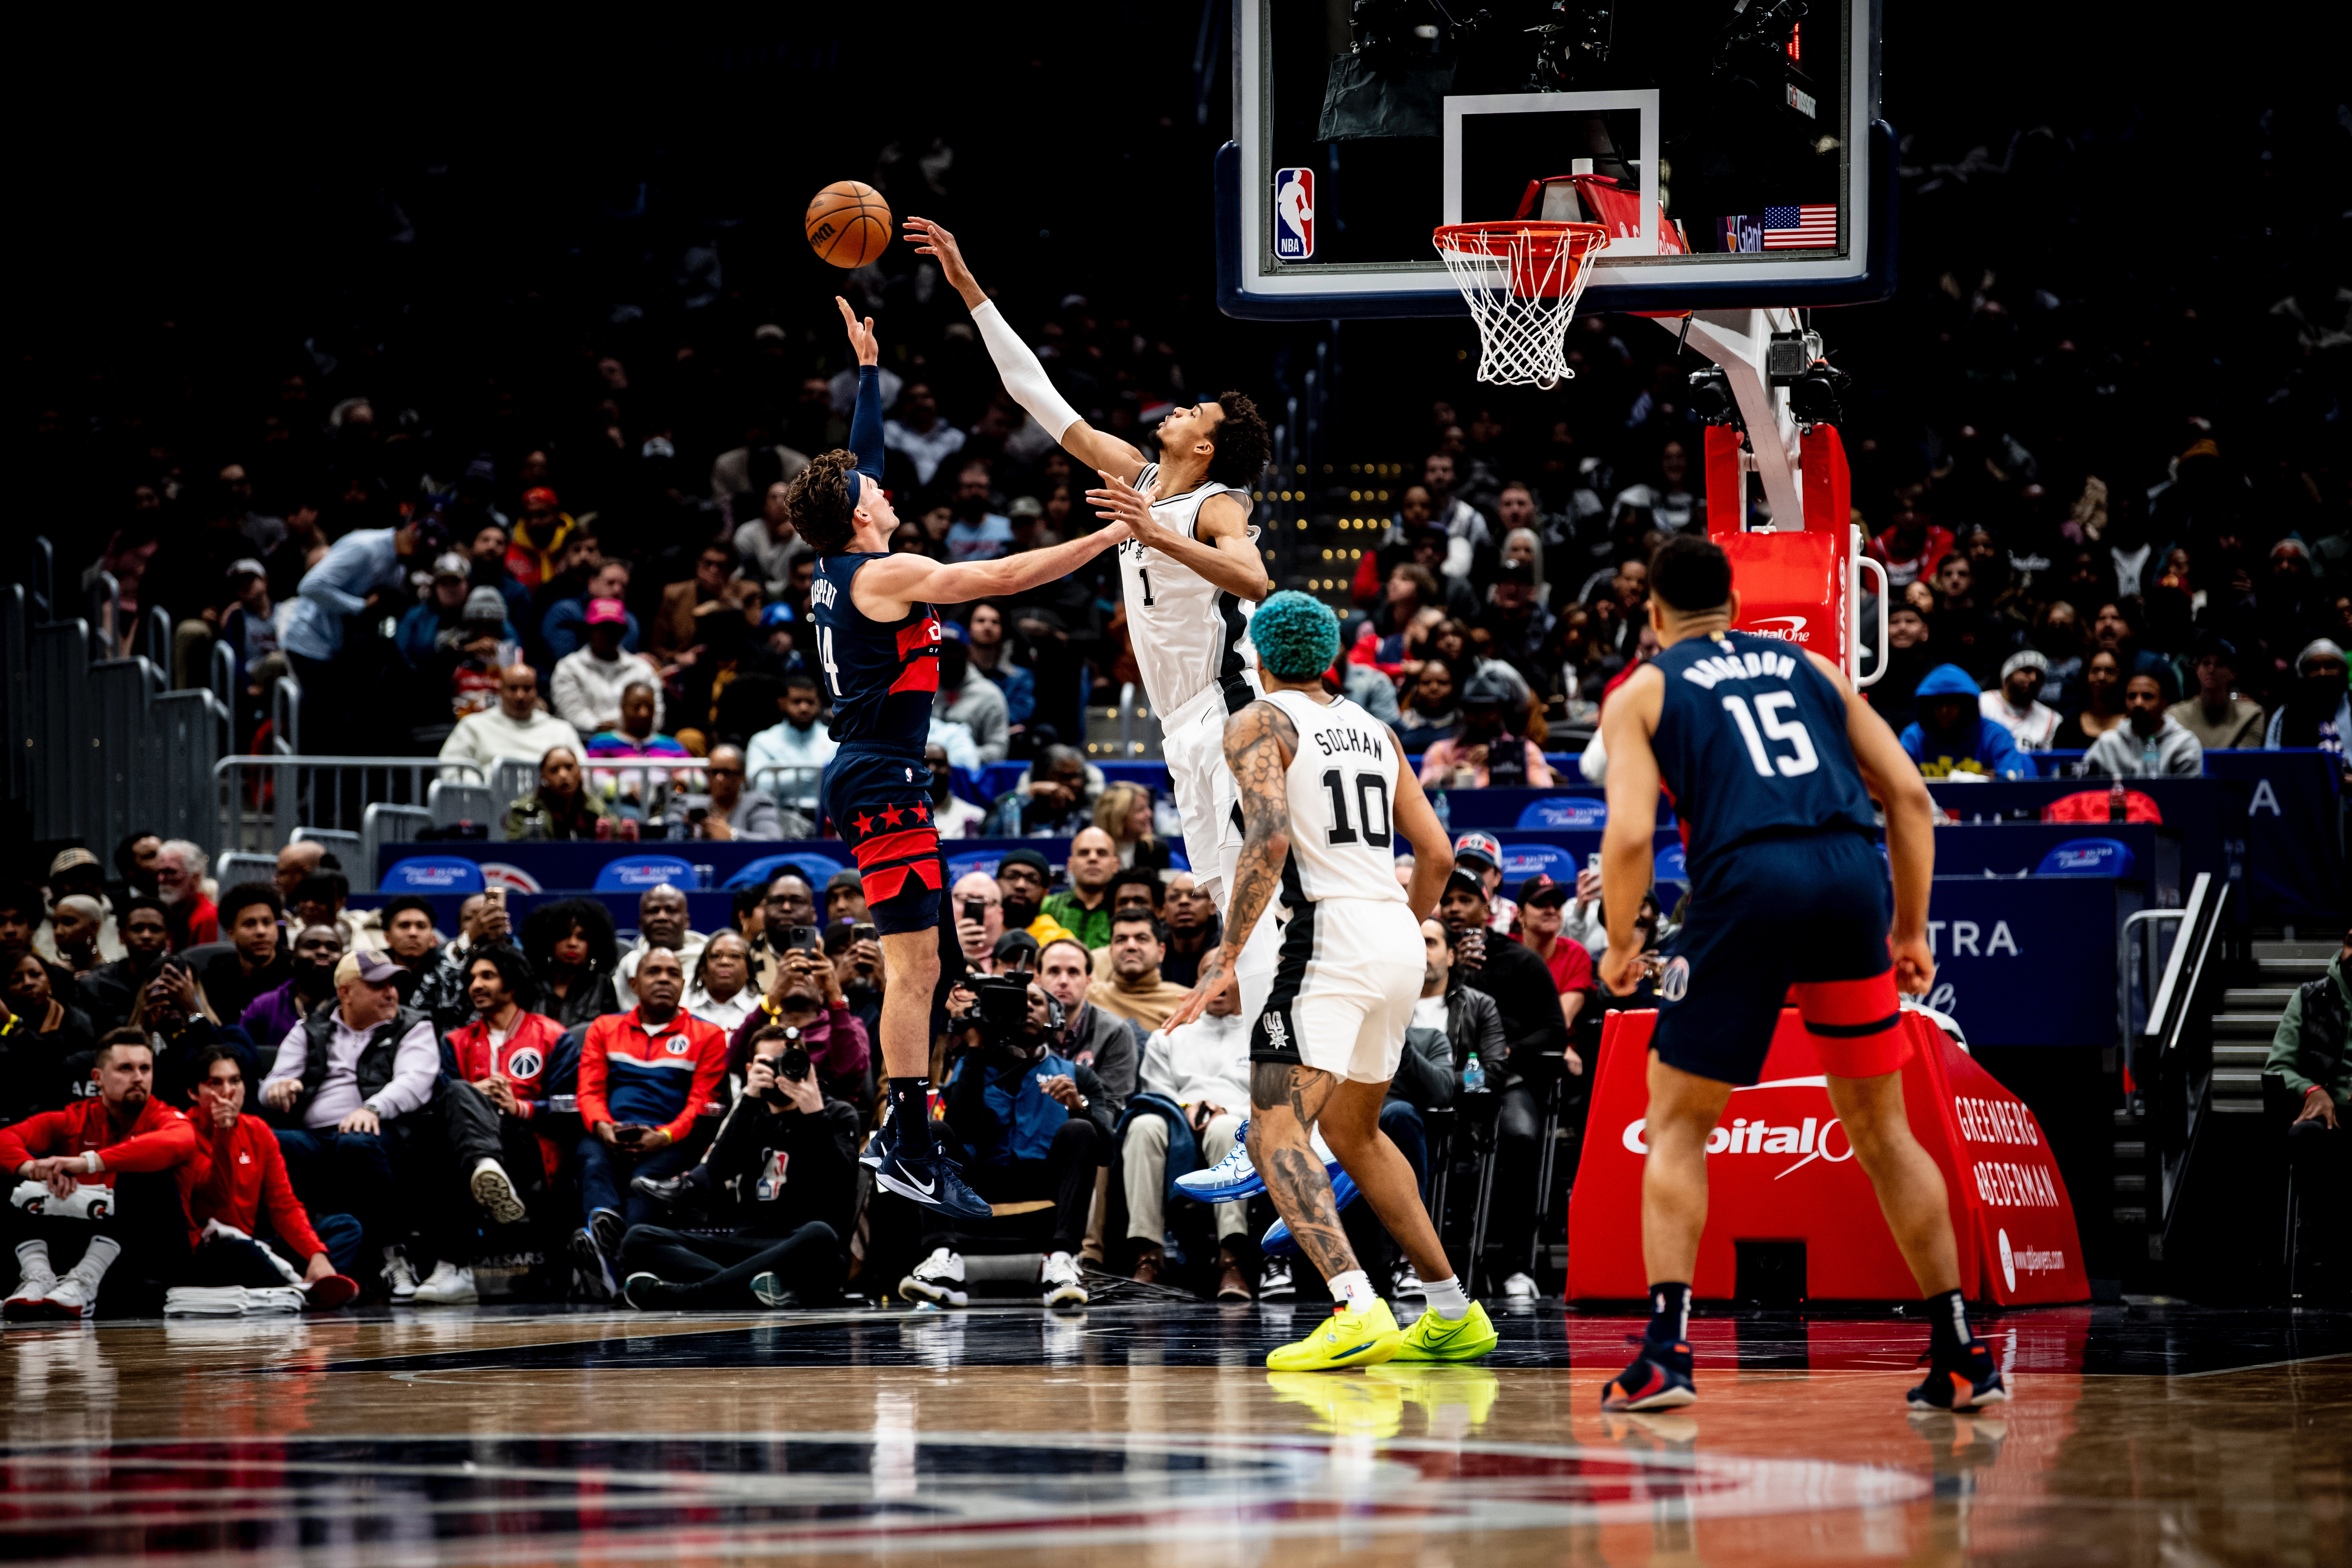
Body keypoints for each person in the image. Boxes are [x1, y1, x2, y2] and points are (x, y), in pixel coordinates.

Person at [1594, 533, 1999, 1413]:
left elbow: (1628, 837)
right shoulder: (1811, 664)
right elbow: (1913, 796)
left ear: (1654, 616)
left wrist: (1622, 940)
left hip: (1746, 879)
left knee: (1677, 1120)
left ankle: (1666, 1351)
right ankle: (1963, 1350)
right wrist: (1911, 928)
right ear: (1735, 605)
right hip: (1851, 874)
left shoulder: (1645, 689)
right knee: (1884, 1130)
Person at [793, 296, 1134, 1222]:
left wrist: (867, 373)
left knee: (932, 965)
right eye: (875, 491)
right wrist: (1110, 536)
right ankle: (905, 1140)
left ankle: (911, 1129)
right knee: (912, 972)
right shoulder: (884, 573)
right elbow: (1003, 576)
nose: (887, 487)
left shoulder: (841, 562)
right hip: (881, 774)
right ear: (858, 516)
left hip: (873, 769)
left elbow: (856, 464)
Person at [915, 217, 1283, 1034]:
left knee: (1249, 901)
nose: (1182, 406)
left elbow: (1257, 577)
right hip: (1182, 722)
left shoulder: (1215, 501)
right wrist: (969, 286)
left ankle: (1276, 1095)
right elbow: (1037, 398)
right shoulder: (1142, 474)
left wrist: (1155, 533)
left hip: (1229, 712)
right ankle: (1267, 1095)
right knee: (1223, 892)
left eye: (1198, 409)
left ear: (1209, 446)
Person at [1159, 592, 1491, 1370]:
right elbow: (1438, 856)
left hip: (1322, 937)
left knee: (1273, 1126)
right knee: (1352, 1131)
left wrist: (1225, 952)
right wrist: (1397, 930)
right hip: (1391, 933)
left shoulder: (1258, 720)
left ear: (1258, 655)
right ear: (1331, 655)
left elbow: (1268, 838)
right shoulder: (1374, 729)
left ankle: (1355, 1305)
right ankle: (1450, 1310)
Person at [898, 970, 1116, 1309]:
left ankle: (1062, 1261)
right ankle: (944, 1259)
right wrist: (974, 1048)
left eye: (1036, 1001)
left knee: (1080, 1130)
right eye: (1019, 1001)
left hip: (1046, 1195)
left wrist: (1078, 1106)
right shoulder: (973, 1065)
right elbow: (959, 1128)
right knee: (934, 1130)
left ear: (1055, 1015)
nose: (1027, 1007)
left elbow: (1106, 1152)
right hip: (977, 1194)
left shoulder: (1078, 1076)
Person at [616, 1023, 862, 1309]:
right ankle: (756, 1290)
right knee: (638, 1238)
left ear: (806, 1066)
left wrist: (814, 1114)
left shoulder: (836, 1114)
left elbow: (843, 1187)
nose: (779, 1073)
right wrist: (748, 1098)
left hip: (801, 1246)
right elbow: (717, 1171)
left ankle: (690, 1294)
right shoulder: (750, 1113)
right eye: (770, 1065)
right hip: (745, 1243)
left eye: (787, 1063)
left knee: (820, 1236)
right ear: (751, 1070)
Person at [259, 949, 441, 1302]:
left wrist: (372, 1108)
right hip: (317, 1135)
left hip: (386, 1132)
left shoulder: (414, 1025)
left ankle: (393, 1252)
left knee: (356, 1142)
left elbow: (415, 1082)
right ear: (346, 992)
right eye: (378, 986)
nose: (391, 993)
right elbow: (271, 1082)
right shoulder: (309, 1029)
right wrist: (277, 1090)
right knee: (272, 1141)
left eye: (394, 985)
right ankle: (300, 1251)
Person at [2, 1031, 199, 1319]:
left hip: (151, 1248)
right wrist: (32, 1169)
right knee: (16, 1171)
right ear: (98, 1078)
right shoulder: (74, 1118)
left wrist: (88, 1163)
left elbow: (181, 1142)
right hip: (84, 1238)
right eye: (125, 1069)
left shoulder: (163, 1116)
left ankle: (86, 1279)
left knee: (143, 1171)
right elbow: (6, 1138)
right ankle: (38, 1276)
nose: (138, 1078)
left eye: (145, 1069)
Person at [570, 947, 730, 1296]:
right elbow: (590, 1091)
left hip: (670, 1139)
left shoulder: (708, 1035)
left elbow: (701, 1102)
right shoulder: (604, 1028)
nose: (663, 979)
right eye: (653, 972)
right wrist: (604, 1128)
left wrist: (665, 1136)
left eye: (672, 974)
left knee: (643, 1184)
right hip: (611, 1131)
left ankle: (612, 1263)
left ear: (684, 984)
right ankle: (604, 1239)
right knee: (591, 1158)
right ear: (634, 984)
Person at [413, 943, 564, 1306]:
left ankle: (454, 1267)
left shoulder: (553, 1035)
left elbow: (568, 1106)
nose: (475, 985)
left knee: (455, 1139)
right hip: (467, 1146)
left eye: (487, 977)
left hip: (527, 1144)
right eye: (472, 979)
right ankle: (484, 1166)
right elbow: (438, 1103)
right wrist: (476, 1095)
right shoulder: (456, 1041)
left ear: (512, 985)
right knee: (456, 1100)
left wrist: (521, 1107)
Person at [172, 1043, 360, 1311]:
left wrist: (316, 1253)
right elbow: (217, 1196)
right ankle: (301, 1293)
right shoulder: (183, 1133)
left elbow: (284, 1206)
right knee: (246, 1255)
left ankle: (305, 1285)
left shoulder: (258, 1131)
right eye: (215, 1083)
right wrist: (223, 1133)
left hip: (256, 1245)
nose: (228, 1092)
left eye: (235, 1081)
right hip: (215, 1250)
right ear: (193, 1092)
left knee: (346, 1227)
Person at [1121, 978, 1254, 1296]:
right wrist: (1185, 1109)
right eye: (1208, 973)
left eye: (1225, 972)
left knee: (1225, 1129)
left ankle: (1231, 1261)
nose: (1216, 980)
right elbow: (1155, 1091)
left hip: (1237, 1121)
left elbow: (1270, 1096)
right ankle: (1148, 1257)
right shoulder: (1170, 1035)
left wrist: (1226, 1110)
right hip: (1177, 1120)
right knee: (1143, 1126)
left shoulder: (1259, 1034)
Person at [2268, 927, 2350, 1297]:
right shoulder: (2310, 998)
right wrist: (2311, 1090)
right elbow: (2277, 1068)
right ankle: (2327, 1256)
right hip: (2329, 1120)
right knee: (2303, 1138)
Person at [439, 663, 584, 775]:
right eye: (513, 689)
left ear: (536, 692)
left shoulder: (561, 730)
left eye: (527, 689)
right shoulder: (472, 726)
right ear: (500, 691)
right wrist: (480, 790)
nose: (520, 696)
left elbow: (584, 771)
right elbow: (450, 768)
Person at [552, 599, 664, 735]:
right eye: (602, 628)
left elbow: (657, 716)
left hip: (636, 744)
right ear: (589, 630)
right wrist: (604, 728)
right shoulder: (569, 667)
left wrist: (620, 731)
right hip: (585, 742)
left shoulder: (642, 670)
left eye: (614, 628)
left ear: (623, 632)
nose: (608, 634)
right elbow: (572, 714)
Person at [1900, 664, 2032, 780]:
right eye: (1938, 705)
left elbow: (2009, 782)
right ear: (1927, 708)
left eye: (1952, 704)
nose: (1944, 711)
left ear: (1967, 706)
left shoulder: (1995, 736)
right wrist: (1983, 777)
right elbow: (1895, 783)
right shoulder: (1914, 737)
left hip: (1984, 807)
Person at [519, 897, 621, 1029]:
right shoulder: (531, 984)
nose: (572, 943)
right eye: (564, 936)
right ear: (548, 942)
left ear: (594, 945)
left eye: (582, 937)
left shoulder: (602, 985)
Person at [197, 883, 291, 1026]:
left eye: (267, 923)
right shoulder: (214, 979)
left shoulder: (296, 974)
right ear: (231, 934)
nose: (261, 931)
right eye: (249, 924)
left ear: (277, 929)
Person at [745, 673, 838, 816]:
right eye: (797, 702)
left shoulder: (835, 739)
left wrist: (781, 775)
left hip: (828, 818)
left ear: (818, 703)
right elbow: (761, 785)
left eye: (810, 702)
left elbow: (840, 782)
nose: (804, 708)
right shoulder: (762, 742)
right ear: (782, 703)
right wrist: (820, 772)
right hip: (778, 817)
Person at [238, 923, 344, 1047]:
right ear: (293, 958)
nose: (322, 952)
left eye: (333, 948)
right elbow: (241, 1054)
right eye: (311, 946)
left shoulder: (353, 1007)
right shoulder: (263, 1006)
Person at [77, 896, 172, 1032]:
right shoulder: (95, 985)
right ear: (121, 936)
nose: (146, 936)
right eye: (137, 929)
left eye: (155, 929)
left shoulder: (179, 982)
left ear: (168, 937)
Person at [1088, 910, 1192, 1032]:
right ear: (1111, 952)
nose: (1131, 946)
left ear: (1161, 952)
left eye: (1142, 939)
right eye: (1121, 940)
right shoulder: (1088, 998)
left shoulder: (1187, 1002)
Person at [664, 744, 792, 841]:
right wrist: (684, 831)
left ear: (742, 777)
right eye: (714, 772)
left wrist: (732, 836)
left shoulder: (758, 805)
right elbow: (666, 840)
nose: (719, 778)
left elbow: (773, 840)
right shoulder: (688, 805)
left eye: (727, 773)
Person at [2087, 674, 2205, 777]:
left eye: (2147, 696)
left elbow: (2190, 798)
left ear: (2164, 703)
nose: (2138, 703)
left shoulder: (2184, 745)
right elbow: (2082, 791)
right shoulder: (2108, 743)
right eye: (2132, 696)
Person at [2167, 634, 2266, 751]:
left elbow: (2243, 763)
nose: (2212, 669)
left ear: (2233, 673)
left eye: (2220, 664)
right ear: (2197, 670)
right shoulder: (2176, 716)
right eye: (2206, 663)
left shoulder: (2251, 715)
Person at [504, 746, 623, 842]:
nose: (563, 775)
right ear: (544, 776)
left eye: (569, 767)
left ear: (579, 771)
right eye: (554, 770)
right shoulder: (525, 811)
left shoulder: (596, 808)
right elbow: (514, 853)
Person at [2265, 639, 2352, 757]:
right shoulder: (2287, 713)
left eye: (2330, 666)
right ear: (2304, 675)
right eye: (2315, 667)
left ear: (2343, 671)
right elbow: (2272, 760)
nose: (2323, 673)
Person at [1040, 827, 1123, 949]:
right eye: (1084, 853)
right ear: (1070, 865)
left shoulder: (1124, 910)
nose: (1093, 858)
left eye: (1101, 853)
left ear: (1116, 865)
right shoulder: (1046, 907)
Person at [1979, 651, 2062, 751]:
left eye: (2040, 676)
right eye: (2026, 671)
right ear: (2008, 676)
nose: (2033, 679)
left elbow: (2049, 764)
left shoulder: (2052, 719)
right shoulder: (1981, 704)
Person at [684, 932, 761, 1033]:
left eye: (735, 956)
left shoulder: (761, 1008)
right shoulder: (683, 1003)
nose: (725, 962)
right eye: (716, 956)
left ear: (749, 969)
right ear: (702, 969)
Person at [153, 841, 218, 949]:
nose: (161, 879)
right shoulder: (179, 914)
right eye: (158, 873)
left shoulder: (207, 919)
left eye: (170, 872)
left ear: (195, 878)